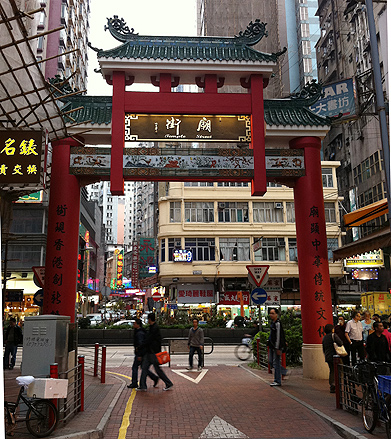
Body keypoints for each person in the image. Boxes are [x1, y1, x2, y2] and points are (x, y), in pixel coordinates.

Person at [138, 313, 173, 391]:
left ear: (150, 319)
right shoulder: (153, 327)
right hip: (151, 352)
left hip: (153, 353)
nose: (147, 320)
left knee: (153, 369)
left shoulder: (154, 328)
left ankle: (168, 383)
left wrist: (141, 346)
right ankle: (143, 386)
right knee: (145, 368)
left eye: (148, 319)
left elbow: (149, 339)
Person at [127, 318, 159, 389]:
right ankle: (154, 377)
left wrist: (139, 355)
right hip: (143, 353)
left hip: (140, 353)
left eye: (134, 324)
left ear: (138, 325)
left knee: (135, 367)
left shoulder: (139, 333)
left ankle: (135, 382)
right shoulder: (141, 331)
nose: (133, 325)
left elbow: (140, 345)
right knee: (144, 368)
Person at [267, 308, 286, 387]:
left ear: (276, 314)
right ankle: (284, 371)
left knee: (276, 362)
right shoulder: (273, 323)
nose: (271, 315)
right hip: (272, 345)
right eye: (270, 313)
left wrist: (278, 348)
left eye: (273, 313)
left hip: (276, 346)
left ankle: (277, 380)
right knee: (271, 361)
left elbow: (279, 336)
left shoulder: (278, 323)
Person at [322, 323, 343, 393]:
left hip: (328, 356)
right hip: (335, 356)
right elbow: (340, 343)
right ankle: (337, 384)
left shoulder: (324, 337)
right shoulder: (333, 335)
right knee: (338, 370)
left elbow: (324, 348)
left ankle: (332, 385)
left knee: (332, 370)